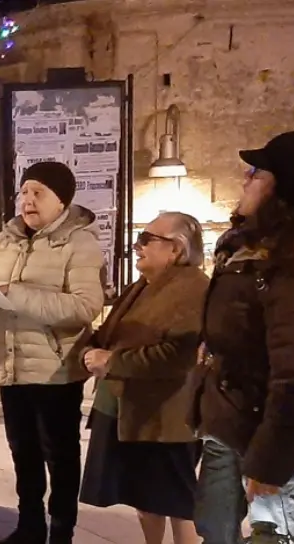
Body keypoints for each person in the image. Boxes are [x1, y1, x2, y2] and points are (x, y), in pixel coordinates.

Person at [0, 161, 103, 544]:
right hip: (11, 363)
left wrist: (14, 294)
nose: (27, 200)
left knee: (60, 455)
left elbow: (85, 307)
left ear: (61, 201)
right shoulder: (5, 238)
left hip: (55, 369)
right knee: (23, 453)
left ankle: (62, 531)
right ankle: (29, 525)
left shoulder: (80, 242)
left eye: (38, 192)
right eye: (24, 192)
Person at [193, 131, 294, 544]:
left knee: (271, 538)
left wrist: (271, 460)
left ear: (284, 189)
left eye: (256, 173)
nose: (245, 179)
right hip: (228, 419)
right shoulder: (244, 254)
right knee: (214, 530)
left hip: (272, 431)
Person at [77, 211, 209, 544]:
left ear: (176, 249)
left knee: (177, 501)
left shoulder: (192, 288)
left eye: (147, 239)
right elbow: (111, 333)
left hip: (166, 418)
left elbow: (178, 355)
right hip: (130, 411)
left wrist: (113, 361)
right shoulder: (144, 284)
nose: (137, 246)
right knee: (144, 498)